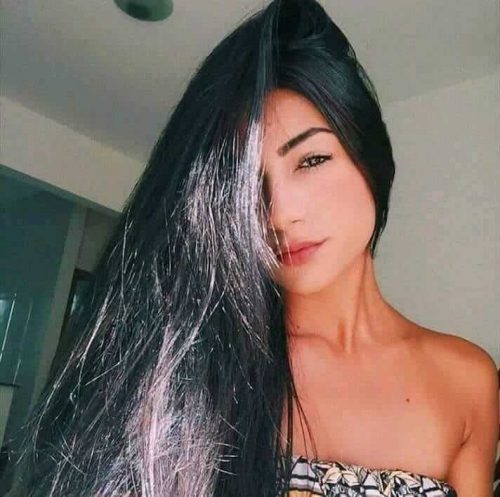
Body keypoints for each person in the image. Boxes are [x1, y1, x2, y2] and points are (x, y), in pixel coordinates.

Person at [9, 0, 499, 496]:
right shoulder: (191, 373)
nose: (278, 213)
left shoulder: (467, 380)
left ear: (370, 158)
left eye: (311, 160)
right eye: (243, 182)